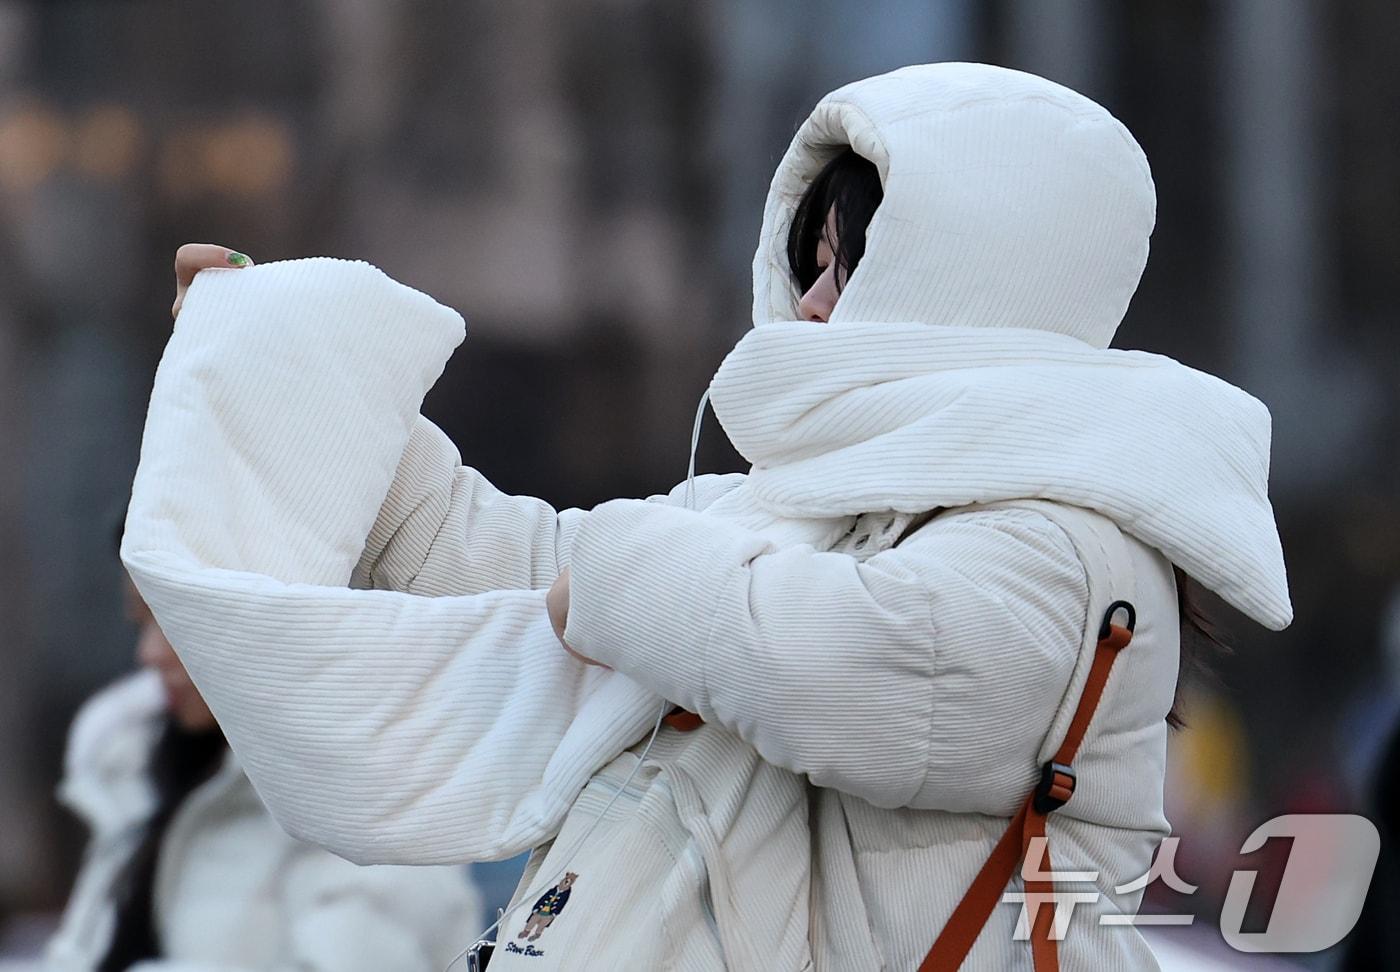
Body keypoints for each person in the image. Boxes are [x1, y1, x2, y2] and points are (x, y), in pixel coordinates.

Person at [123, 62, 1293, 970]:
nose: (814, 301)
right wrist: (294, 384)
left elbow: (864, 671)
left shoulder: (1071, 543)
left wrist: (624, 578)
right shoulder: (784, 520)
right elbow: (522, 574)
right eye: (811, 260)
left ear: (978, 276)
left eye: (853, 264)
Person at [42, 527, 483, 971]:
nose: (149, 653)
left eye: (167, 615)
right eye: (140, 621)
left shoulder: (375, 791)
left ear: (253, 610)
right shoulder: (134, 766)